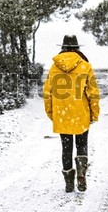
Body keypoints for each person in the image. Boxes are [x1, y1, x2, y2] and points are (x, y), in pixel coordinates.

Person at [43, 35, 100, 192]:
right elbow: (93, 93)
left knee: (66, 148)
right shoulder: (85, 66)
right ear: (77, 48)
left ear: (63, 47)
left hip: (62, 114)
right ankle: (81, 172)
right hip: (81, 113)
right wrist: (94, 114)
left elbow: (47, 93)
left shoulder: (54, 68)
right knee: (82, 144)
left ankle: (69, 182)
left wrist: (52, 113)